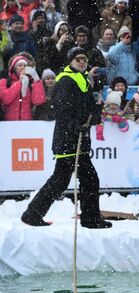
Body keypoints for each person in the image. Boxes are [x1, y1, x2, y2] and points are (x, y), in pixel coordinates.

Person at [21, 47, 111, 229]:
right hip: (68, 139)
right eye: (78, 58)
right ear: (71, 61)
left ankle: (33, 213)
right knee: (86, 179)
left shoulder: (83, 80)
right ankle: (89, 218)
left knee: (65, 179)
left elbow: (89, 106)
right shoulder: (65, 80)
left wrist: (95, 115)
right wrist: (75, 127)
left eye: (84, 58)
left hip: (78, 139)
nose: (82, 61)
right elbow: (61, 110)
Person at [0, 52, 46, 120]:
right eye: (20, 65)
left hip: (26, 124)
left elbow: (38, 101)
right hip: (9, 124)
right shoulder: (4, 82)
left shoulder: (30, 83)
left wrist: (36, 79)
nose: (23, 68)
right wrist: (20, 83)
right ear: (14, 68)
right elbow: (5, 99)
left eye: (25, 66)